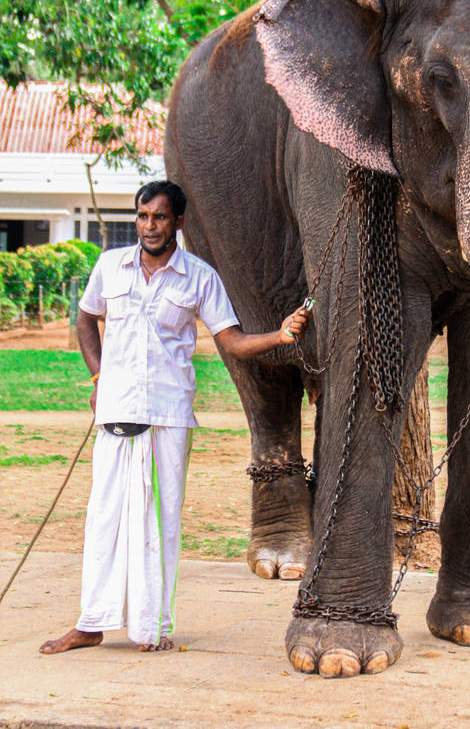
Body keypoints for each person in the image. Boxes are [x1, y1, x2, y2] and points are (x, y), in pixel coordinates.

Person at [40, 180, 311, 655]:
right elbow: (86, 319)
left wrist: (280, 335)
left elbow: (231, 342)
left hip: (167, 415)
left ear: (178, 222)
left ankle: (151, 626)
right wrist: (99, 376)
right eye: (143, 216)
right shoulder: (110, 266)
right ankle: (91, 622)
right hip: (115, 411)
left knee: (160, 521)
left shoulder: (199, 278)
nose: (149, 226)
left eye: (160, 217)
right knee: (103, 517)